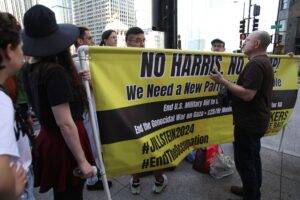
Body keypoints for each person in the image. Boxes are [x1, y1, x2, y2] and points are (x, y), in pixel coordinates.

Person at [21, 5, 96, 200]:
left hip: (49, 139)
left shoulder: (29, 69)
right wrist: (82, 161)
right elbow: (64, 122)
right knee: (71, 195)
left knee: (62, 194)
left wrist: (75, 82)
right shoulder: (54, 72)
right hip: (66, 143)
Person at [210, 31, 274, 200]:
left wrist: (222, 81)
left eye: (247, 40)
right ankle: (251, 189)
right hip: (256, 120)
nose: (243, 43)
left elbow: (247, 94)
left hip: (249, 123)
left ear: (257, 44)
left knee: (245, 161)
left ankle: (252, 195)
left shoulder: (256, 64)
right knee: (253, 158)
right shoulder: (263, 61)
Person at [126, 26, 167, 195]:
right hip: (131, 112)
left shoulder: (150, 58)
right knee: (136, 149)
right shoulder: (115, 60)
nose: (142, 44)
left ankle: (157, 180)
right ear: (127, 42)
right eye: (137, 40)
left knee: (153, 147)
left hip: (147, 112)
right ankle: (136, 181)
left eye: (143, 40)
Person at [73, 26, 113, 191]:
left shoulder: (86, 59)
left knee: (96, 143)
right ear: (80, 41)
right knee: (93, 143)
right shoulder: (77, 61)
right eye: (89, 38)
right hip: (88, 111)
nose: (92, 41)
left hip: (93, 108)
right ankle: (94, 179)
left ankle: (96, 176)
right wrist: (91, 80)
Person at [0, 12, 29, 200]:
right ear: (9, 50)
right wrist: (12, 191)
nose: (23, 52)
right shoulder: (2, 102)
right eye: (21, 47)